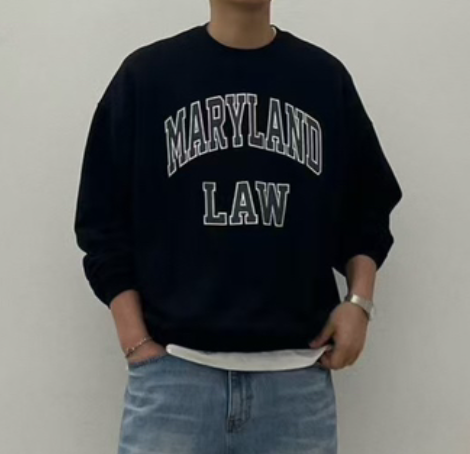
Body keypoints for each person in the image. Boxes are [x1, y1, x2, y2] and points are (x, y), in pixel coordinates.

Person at [73, 0, 403, 452]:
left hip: (296, 386)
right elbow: (101, 218)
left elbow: (368, 204)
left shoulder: (323, 79)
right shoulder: (147, 77)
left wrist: (359, 303)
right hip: (174, 378)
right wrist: (136, 341)